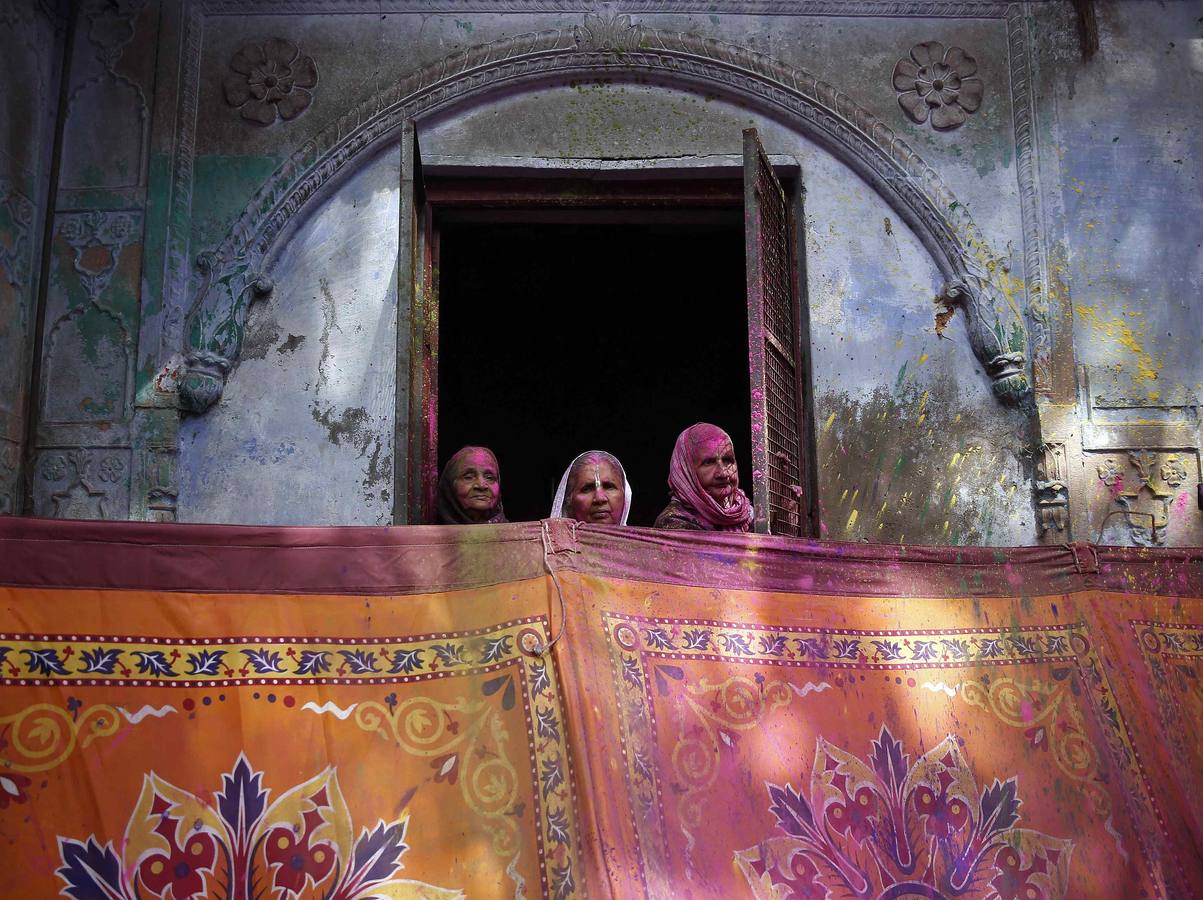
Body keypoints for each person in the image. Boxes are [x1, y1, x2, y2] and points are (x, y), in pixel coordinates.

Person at [654, 423, 753, 532]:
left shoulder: (747, 513)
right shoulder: (673, 524)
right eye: (709, 462)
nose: (723, 473)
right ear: (686, 470)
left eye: (728, 460)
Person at [550, 450, 632, 526]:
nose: (600, 498)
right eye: (587, 489)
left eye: (609, 487)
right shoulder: (547, 537)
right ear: (569, 501)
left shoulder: (637, 537)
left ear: (625, 496)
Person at [436, 446, 507, 524]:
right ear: (450, 487)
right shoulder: (430, 531)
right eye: (469, 477)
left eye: (489, 478)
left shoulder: (513, 530)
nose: (481, 486)